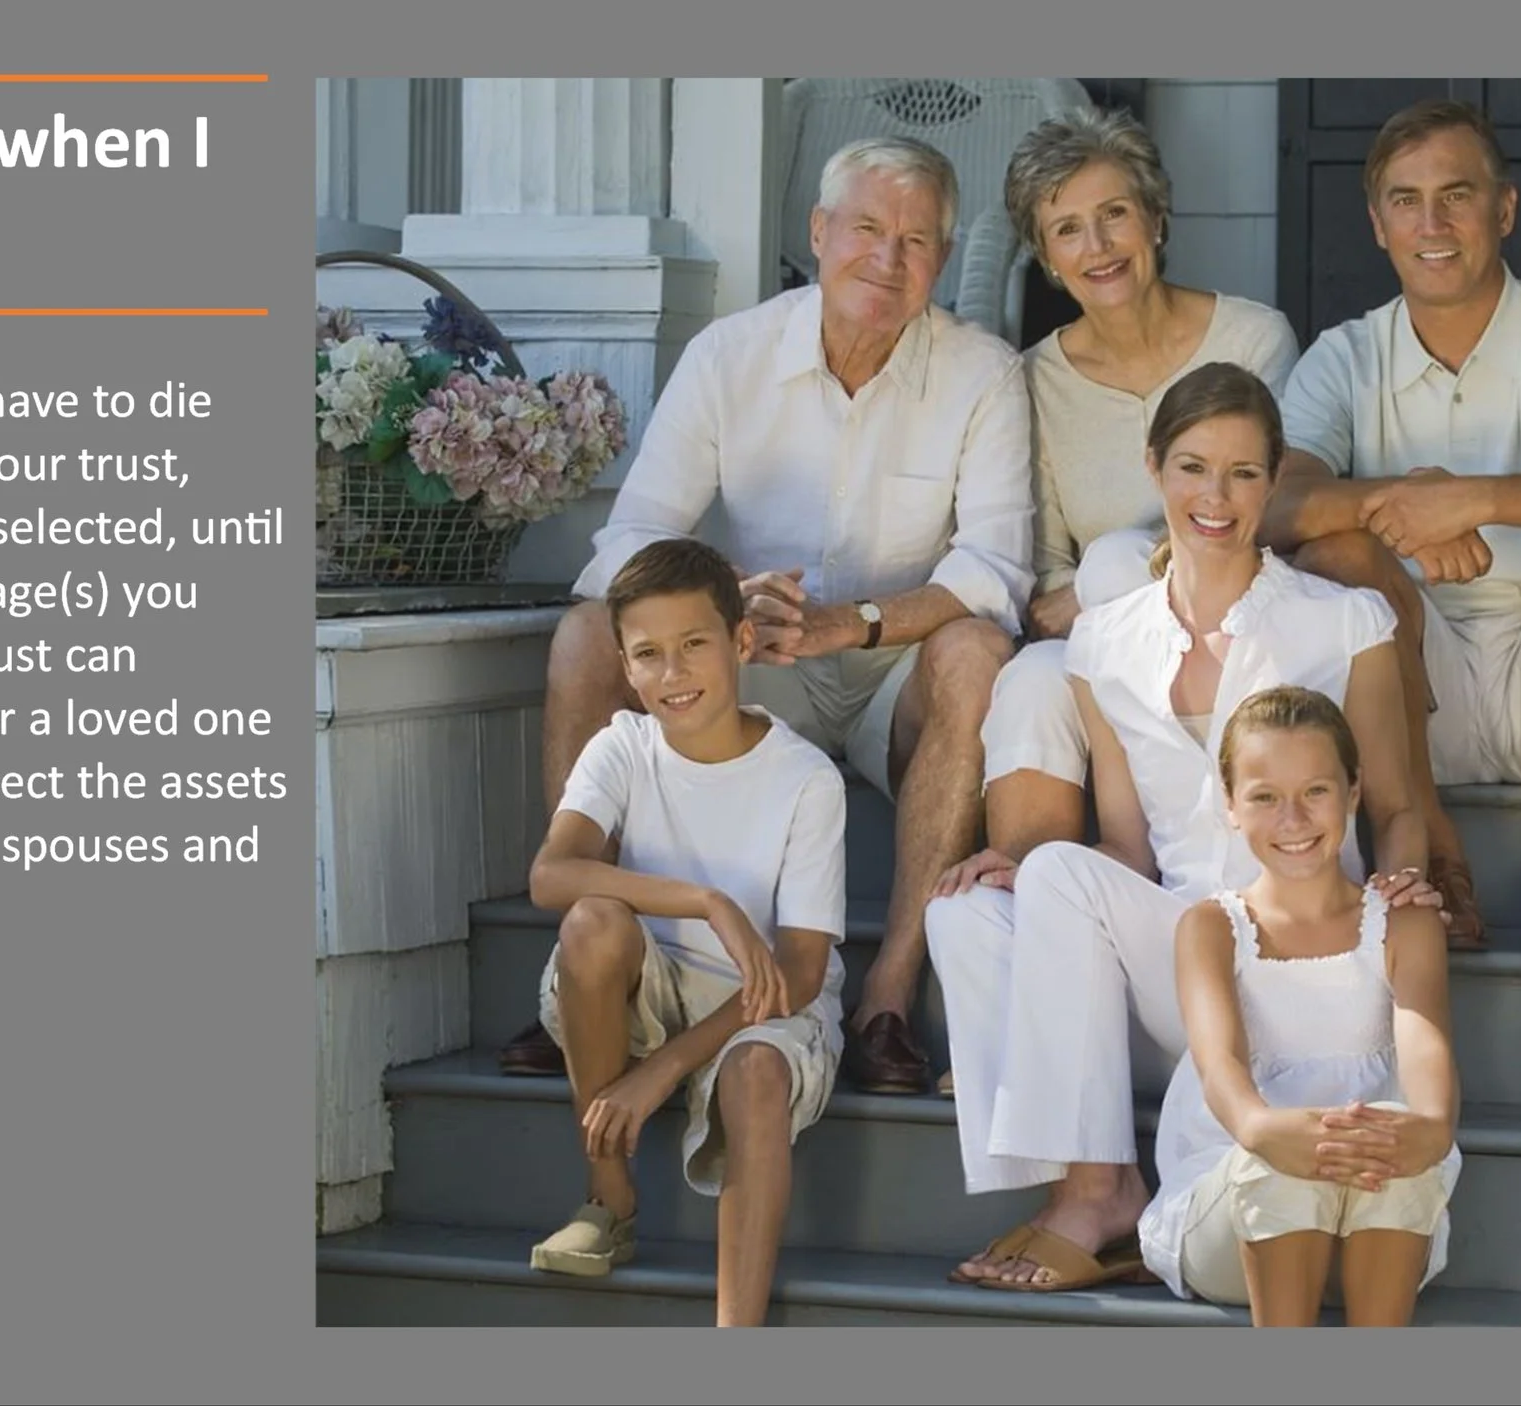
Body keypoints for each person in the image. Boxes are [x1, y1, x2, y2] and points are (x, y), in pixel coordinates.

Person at [497, 134, 1035, 1097]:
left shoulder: (982, 372)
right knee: (587, 635)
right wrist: (722, 597)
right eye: (865, 229)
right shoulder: (729, 356)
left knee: (978, 652)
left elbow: (994, 569)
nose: (887, 258)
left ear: (943, 259)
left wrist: (851, 622)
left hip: (891, 678)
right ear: (819, 232)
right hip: (747, 665)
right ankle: (586, 969)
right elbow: (629, 539)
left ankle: (887, 997)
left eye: (916, 240)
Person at [926, 361, 1441, 1292]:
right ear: (1154, 467)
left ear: (1273, 483)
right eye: (1194, 468)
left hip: (1300, 955)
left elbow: (1397, 805)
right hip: (1186, 956)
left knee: (1055, 874)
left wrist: (1401, 889)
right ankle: (1102, 1181)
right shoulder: (1103, 640)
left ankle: (1090, 1200)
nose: (1216, 497)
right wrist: (1029, 877)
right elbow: (1127, 847)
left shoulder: (1345, 621)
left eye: (1243, 473)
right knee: (964, 912)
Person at [1263, 98, 1521, 958]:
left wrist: (1477, 500)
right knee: (1338, 557)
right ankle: (1437, 854)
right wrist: (1408, 500)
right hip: (1409, 701)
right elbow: (1273, 505)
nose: (1432, 224)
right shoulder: (1345, 356)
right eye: (1406, 200)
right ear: (1377, 223)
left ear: (1505, 209)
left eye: (1456, 196)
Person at [947, 110, 1307, 1097]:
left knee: (1110, 563)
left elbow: (1279, 513)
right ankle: (1034, 965)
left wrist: (1126, 569)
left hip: (1238, 624)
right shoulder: (1033, 381)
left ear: (1155, 218)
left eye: (1114, 214)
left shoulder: (1254, 338)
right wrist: (1099, 593)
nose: (1097, 245)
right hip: (1108, 646)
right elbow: (1041, 582)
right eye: (1067, 228)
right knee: (1029, 682)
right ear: (1044, 254)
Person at [521, 536, 850, 1328]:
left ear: (742, 640)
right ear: (625, 667)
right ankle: (609, 1197)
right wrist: (706, 901)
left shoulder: (806, 779)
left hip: (763, 1003)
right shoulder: (623, 746)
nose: (673, 674)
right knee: (593, 922)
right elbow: (551, 876)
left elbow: (800, 975)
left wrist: (662, 1071)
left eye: (694, 644)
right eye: (648, 655)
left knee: (756, 1073)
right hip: (654, 982)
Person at [1143, 684, 1462, 1326]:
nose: (1292, 820)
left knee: (1394, 1138)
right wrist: (1270, 1132)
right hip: (1236, 1222)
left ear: (1353, 792)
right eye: (1265, 797)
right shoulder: (1212, 927)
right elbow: (1220, 1071)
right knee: (1281, 1161)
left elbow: (1427, 1056)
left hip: (1374, 1228)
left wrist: (1428, 1128)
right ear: (1231, 804)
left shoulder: (1403, 924)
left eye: (1316, 791)